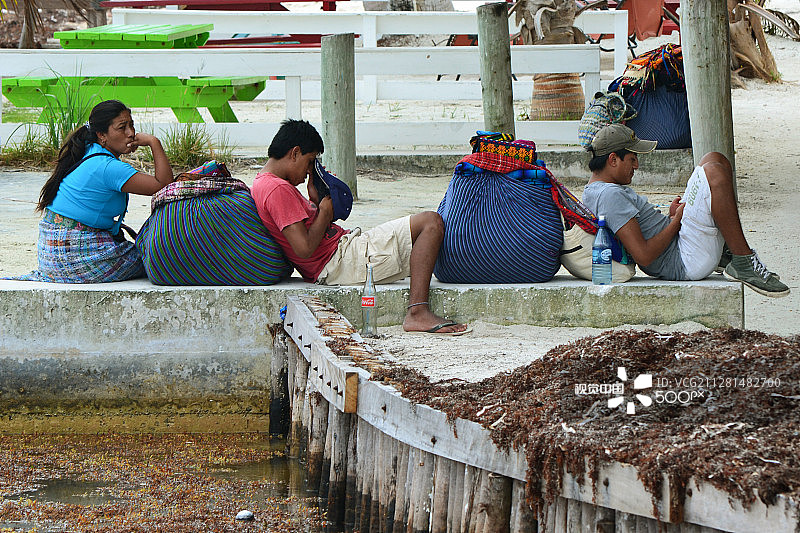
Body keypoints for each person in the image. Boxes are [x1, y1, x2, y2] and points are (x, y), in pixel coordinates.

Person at [250, 119, 471, 334]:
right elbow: (304, 248)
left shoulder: (266, 183)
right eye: (309, 162)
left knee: (431, 235)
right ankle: (417, 312)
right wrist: (325, 212)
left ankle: (418, 310)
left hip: (344, 252)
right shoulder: (276, 189)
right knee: (431, 222)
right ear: (295, 152)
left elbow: (306, 233)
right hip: (341, 260)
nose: (309, 171)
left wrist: (317, 204)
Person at [581, 123, 789, 297]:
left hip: (681, 243)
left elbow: (642, 231)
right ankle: (744, 261)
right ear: (613, 160)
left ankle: (727, 253)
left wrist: (670, 218)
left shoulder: (598, 191)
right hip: (684, 260)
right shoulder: (609, 195)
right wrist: (675, 222)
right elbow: (644, 256)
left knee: (713, 158)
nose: (636, 165)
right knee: (713, 173)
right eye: (632, 159)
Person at [8, 100, 174, 283]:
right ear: (102, 135)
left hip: (53, 255)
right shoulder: (107, 167)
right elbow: (164, 185)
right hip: (74, 255)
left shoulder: (88, 150)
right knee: (159, 260)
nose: (131, 133)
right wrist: (153, 142)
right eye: (122, 128)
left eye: (131, 125)